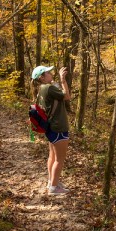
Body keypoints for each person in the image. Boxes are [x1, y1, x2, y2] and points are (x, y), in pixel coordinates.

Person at [31, 65, 71, 195]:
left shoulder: (42, 89)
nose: (50, 73)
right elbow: (66, 96)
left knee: (52, 156)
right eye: (48, 72)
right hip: (58, 127)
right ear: (42, 77)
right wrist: (63, 80)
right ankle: (54, 187)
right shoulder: (49, 88)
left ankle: (51, 182)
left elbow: (57, 91)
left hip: (50, 128)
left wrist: (55, 81)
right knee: (60, 159)